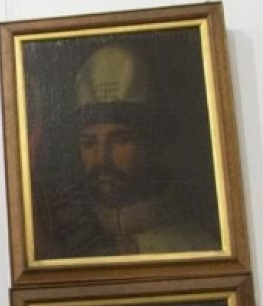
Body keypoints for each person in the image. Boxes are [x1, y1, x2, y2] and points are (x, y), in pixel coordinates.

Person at [36, 44, 220, 258]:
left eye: (120, 140)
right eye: (89, 143)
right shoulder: (62, 244)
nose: (102, 158)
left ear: (151, 143)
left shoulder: (198, 247)